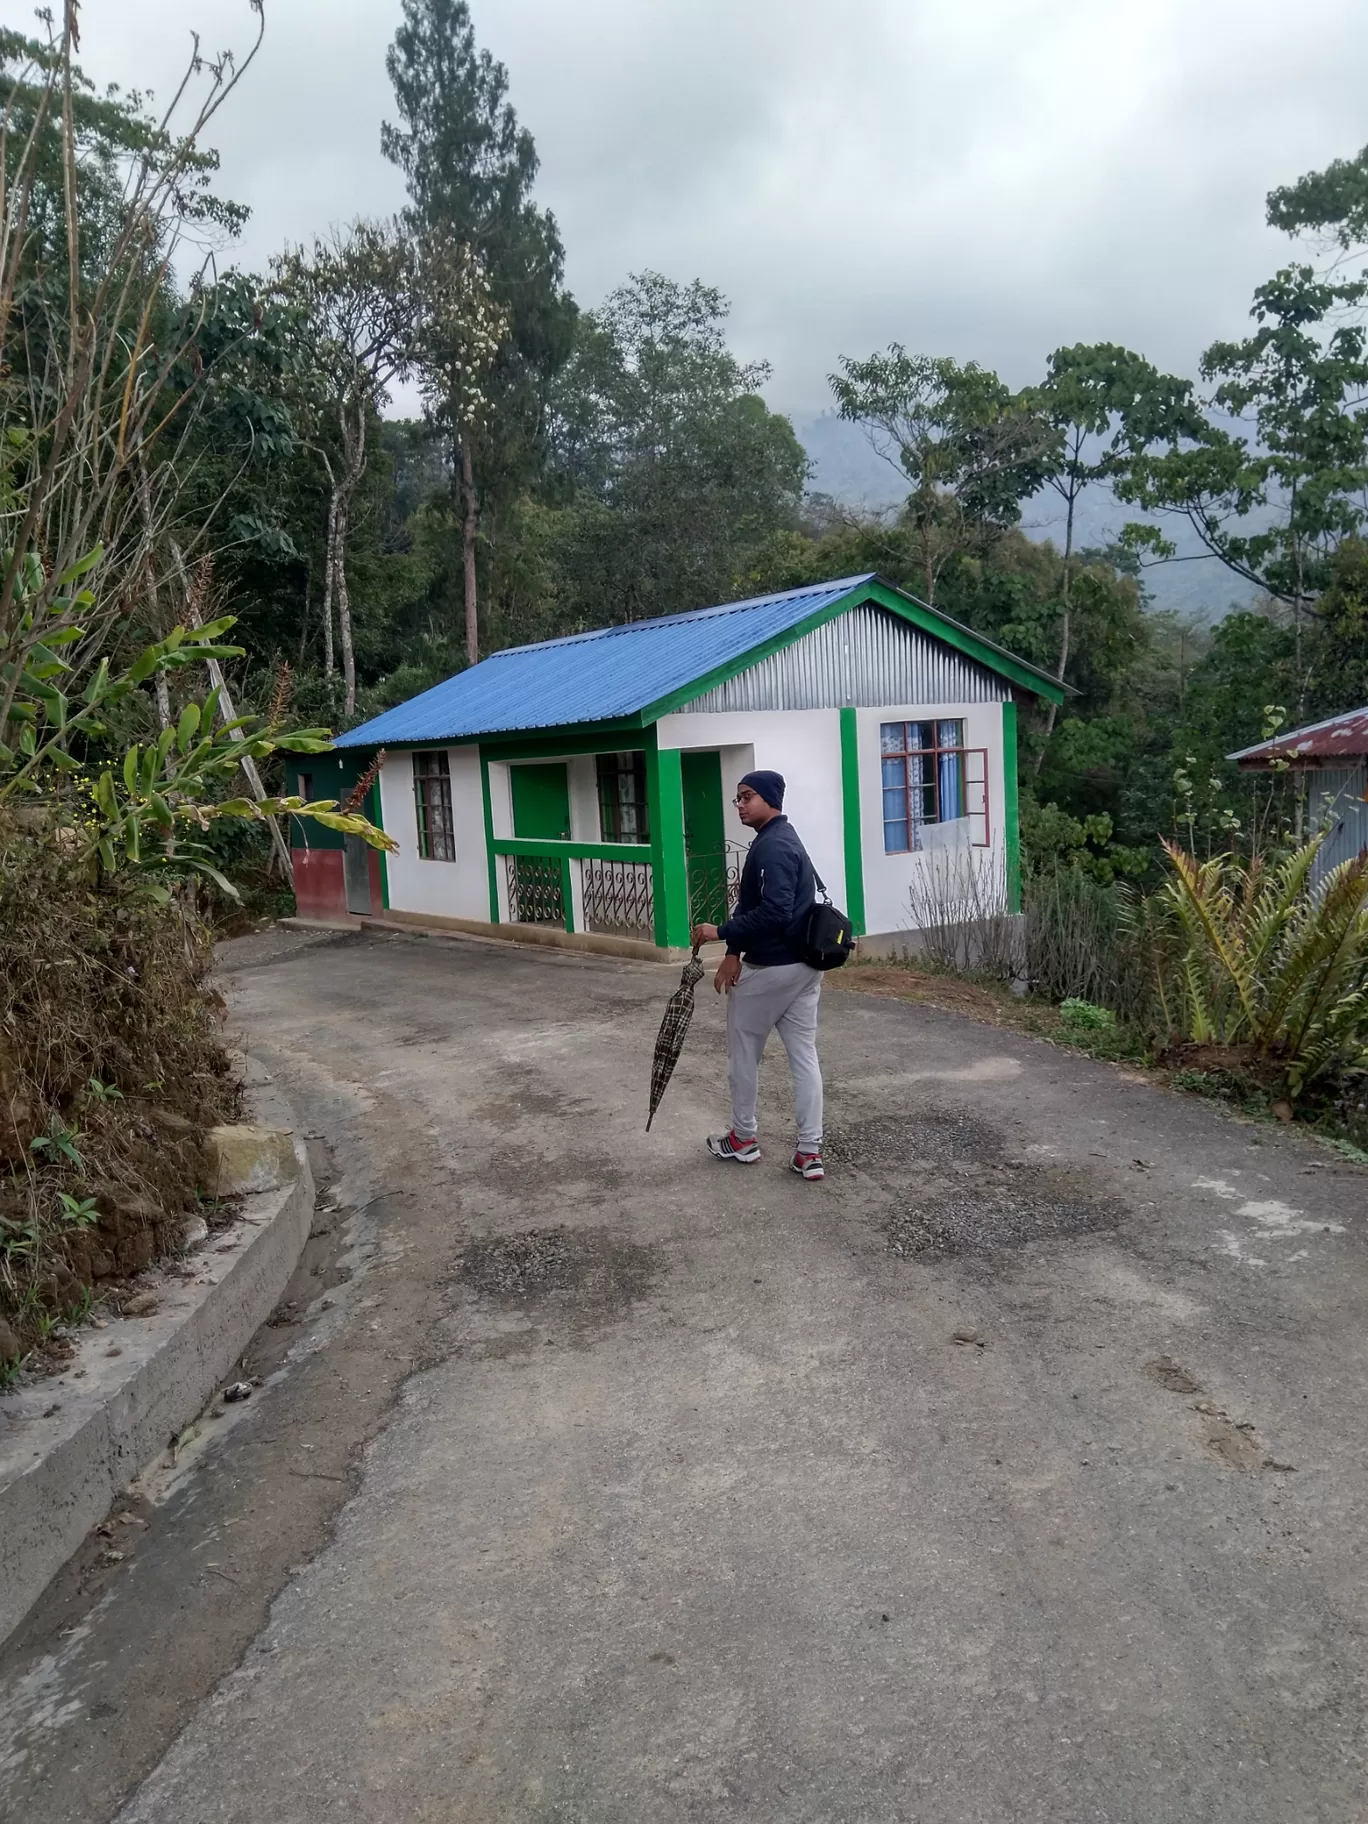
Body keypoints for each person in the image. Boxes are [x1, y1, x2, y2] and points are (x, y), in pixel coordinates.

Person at [690, 770, 825, 1181]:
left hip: (770, 969)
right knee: (804, 1057)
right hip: (804, 969)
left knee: (742, 1055)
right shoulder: (785, 839)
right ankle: (809, 1152)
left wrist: (722, 934)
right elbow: (757, 906)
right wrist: (733, 952)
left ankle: (743, 1138)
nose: (740, 805)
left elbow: (774, 912)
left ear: (769, 799)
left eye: (747, 797)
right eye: (738, 798)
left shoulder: (772, 848)